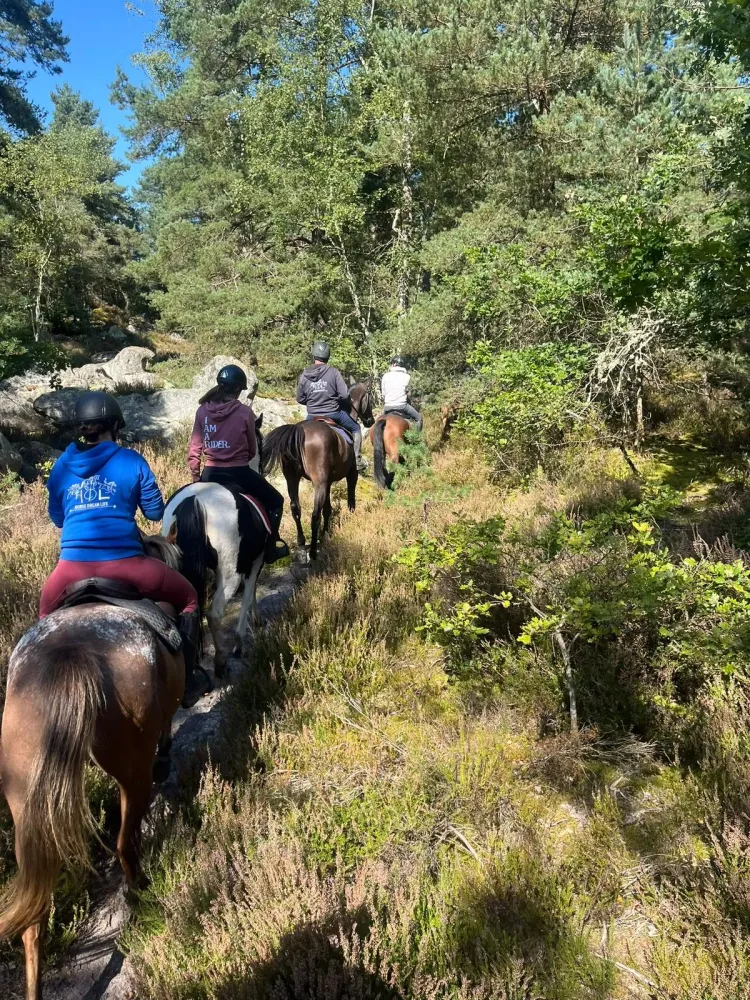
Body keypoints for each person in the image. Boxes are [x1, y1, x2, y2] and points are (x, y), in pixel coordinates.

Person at [41, 391, 211, 708]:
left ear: (80, 429)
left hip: (69, 570)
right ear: (116, 426)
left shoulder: (62, 467)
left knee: (43, 622)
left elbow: (57, 518)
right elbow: (154, 513)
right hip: (126, 564)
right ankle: (189, 679)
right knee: (188, 598)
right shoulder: (131, 460)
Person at [188, 364, 289, 562]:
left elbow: (194, 449)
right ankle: (270, 548)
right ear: (237, 390)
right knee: (277, 501)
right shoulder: (245, 413)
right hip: (239, 473)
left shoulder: (202, 412)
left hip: (210, 473)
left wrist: (195, 477)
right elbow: (252, 449)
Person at [296, 342, 366, 471]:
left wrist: (313, 402)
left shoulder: (305, 374)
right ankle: (357, 460)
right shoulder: (333, 372)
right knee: (356, 428)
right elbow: (345, 395)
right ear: (327, 356)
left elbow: (299, 398)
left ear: (314, 356)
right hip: (333, 413)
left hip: (312, 415)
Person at [381, 355, 423, 430]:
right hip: (402, 406)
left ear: (394, 364)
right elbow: (409, 394)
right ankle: (415, 440)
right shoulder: (407, 376)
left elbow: (383, 394)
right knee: (419, 418)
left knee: (378, 421)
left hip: (387, 407)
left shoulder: (385, 376)